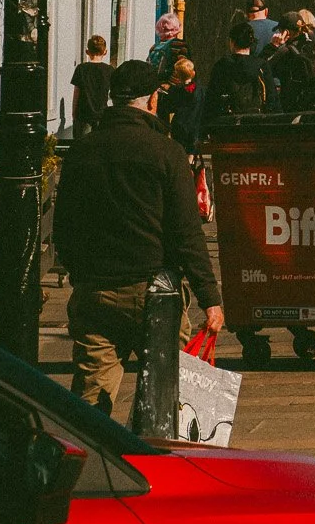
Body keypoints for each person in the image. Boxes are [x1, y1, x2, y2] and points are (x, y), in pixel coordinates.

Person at [52, 59, 223, 414]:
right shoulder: (167, 152)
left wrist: (80, 272)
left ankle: (86, 448)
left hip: (97, 291)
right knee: (166, 402)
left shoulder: (82, 151)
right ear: (152, 100)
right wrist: (209, 297)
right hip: (155, 293)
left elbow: (64, 227)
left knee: (90, 398)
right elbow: (186, 233)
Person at [202, 21, 269, 128]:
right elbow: (271, 98)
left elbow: (212, 99)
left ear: (231, 42)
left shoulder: (221, 65)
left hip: (227, 124)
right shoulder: (261, 65)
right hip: (256, 123)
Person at [267, 9, 315, 112]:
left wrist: (273, 46)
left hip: (292, 109)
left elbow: (264, 69)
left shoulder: (286, 53)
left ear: (286, 32)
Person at [71, 35, 113, 138]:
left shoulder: (81, 69)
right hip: (102, 114)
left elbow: (76, 93)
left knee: (83, 143)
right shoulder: (109, 70)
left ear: (87, 52)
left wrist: (74, 112)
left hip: (83, 114)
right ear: (105, 52)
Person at [157, 58, 199, 150]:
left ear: (178, 76)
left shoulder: (178, 91)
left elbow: (170, 105)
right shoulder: (198, 89)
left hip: (180, 123)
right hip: (194, 123)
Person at [147, 13, 188, 81]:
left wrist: (169, 84)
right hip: (153, 82)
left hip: (167, 84)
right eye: (166, 29)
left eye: (172, 30)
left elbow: (182, 68)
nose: (169, 33)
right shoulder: (154, 46)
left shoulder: (179, 44)